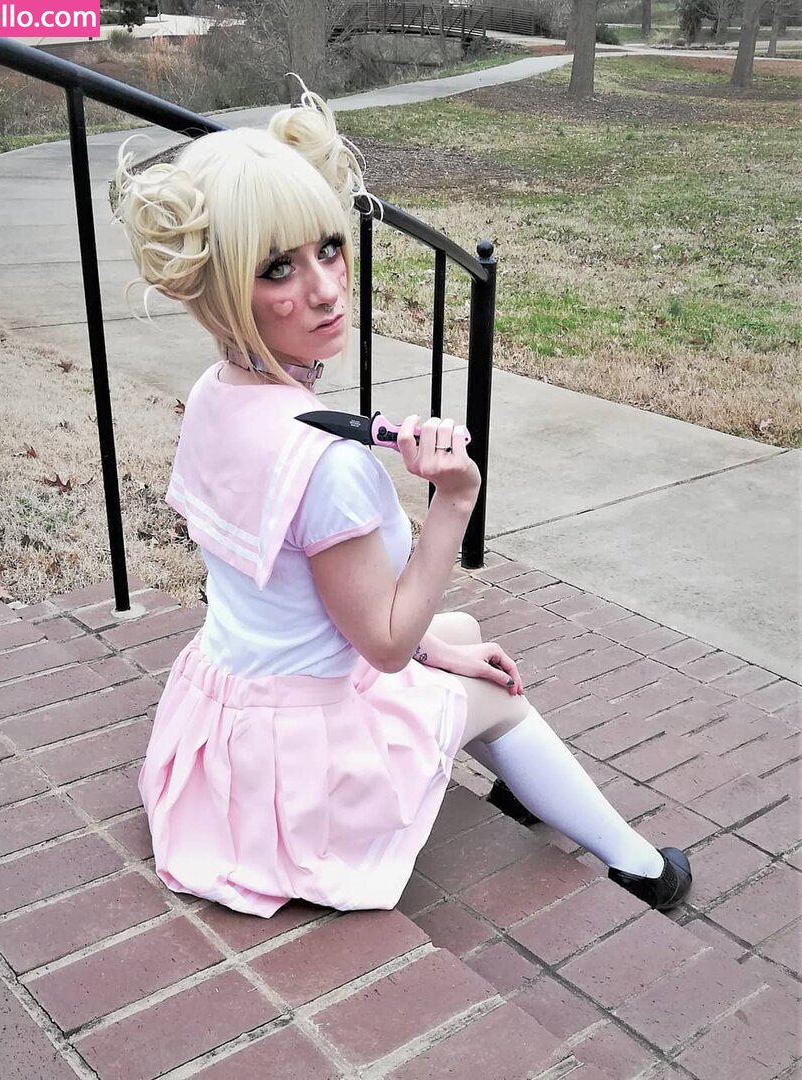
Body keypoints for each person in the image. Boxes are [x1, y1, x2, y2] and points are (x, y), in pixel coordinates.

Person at [114, 85, 692, 919]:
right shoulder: (326, 461)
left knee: (462, 636)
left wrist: (436, 649)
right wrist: (454, 499)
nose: (325, 289)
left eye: (328, 248)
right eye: (277, 268)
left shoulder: (214, 394)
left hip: (229, 719)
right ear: (220, 289)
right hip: (298, 772)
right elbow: (385, 644)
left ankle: (525, 784)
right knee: (499, 692)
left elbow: (319, 603)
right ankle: (642, 868)